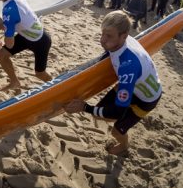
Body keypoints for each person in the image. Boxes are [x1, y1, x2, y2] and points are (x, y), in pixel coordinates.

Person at [64, 11, 162, 155]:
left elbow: (117, 111)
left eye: (109, 35)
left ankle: (124, 146)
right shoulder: (121, 43)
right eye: (102, 33)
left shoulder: (127, 66)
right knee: (99, 114)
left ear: (123, 36)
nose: (102, 40)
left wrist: (85, 107)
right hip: (133, 86)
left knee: (116, 131)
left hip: (146, 99)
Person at [0, 0, 53, 91]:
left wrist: (6, 26)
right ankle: (15, 82)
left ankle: (56, 87)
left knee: (40, 74)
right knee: (1, 56)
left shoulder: (10, 10)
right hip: (26, 34)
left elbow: (10, 44)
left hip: (40, 42)